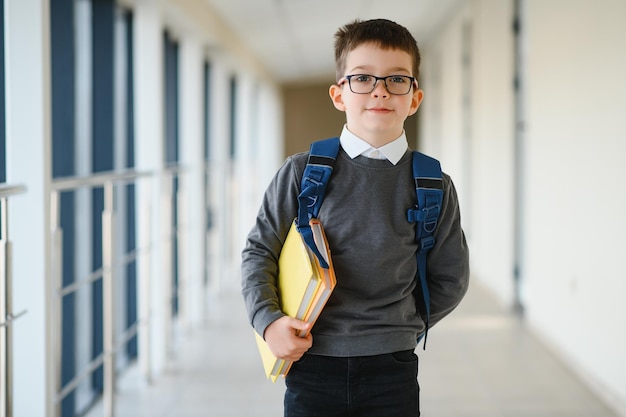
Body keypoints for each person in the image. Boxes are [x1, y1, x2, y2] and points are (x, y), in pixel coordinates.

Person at [241, 18, 469, 417]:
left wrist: (404, 325)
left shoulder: (433, 183)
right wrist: (268, 320)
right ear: (339, 94)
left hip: (392, 368)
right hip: (311, 362)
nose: (380, 90)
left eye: (397, 80)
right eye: (362, 78)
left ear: (415, 98)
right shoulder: (301, 172)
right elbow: (259, 251)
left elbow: (451, 277)